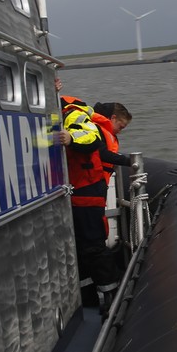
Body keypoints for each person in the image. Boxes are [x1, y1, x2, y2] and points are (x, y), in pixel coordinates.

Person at [60, 90, 130, 312]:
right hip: (84, 192)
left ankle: (95, 297)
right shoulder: (81, 119)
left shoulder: (77, 117)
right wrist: (129, 161)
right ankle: (106, 296)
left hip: (85, 191)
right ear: (113, 118)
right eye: (121, 126)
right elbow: (96, 149)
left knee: (87, 246)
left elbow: (92, 146)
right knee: (91, 245)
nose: (120, 131)